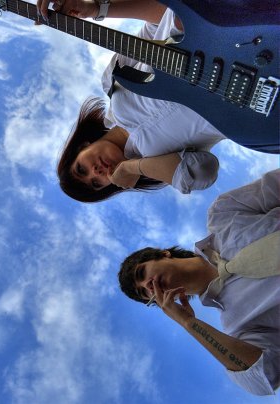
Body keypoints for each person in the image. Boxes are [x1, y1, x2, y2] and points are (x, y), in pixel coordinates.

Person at [35, 1, 279, 203]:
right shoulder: (156, 165)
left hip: (240, 34)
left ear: (82, 147)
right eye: (96, 183)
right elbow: (204, 170)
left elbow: (161, 18)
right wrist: (134, 168)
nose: (95, 172)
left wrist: (97, 9)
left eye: (82, 169)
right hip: (262, 106)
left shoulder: (113, 83)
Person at [117, 169, 280, 395]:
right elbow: (263, 376)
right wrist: (189, 324)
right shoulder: (238, 325)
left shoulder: (223, 213)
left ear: (163, 254)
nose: (149, 285)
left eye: (142, 273)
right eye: (146, 293)